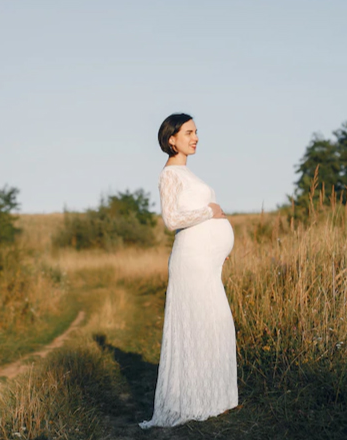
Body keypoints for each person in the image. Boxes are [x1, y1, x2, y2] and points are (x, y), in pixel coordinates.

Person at [139, 113, 238, 429]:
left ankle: (214, 399)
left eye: (197, 132)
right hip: (191, 261)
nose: (196, 137)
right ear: (172, 139)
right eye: (189, 132)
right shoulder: (170, 175)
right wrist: (209, 211)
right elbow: (172, 218)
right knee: (201, 323)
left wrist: (217, 246)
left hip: (204, 261)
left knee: (214, 323)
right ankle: (194, 401)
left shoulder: (188, 174)